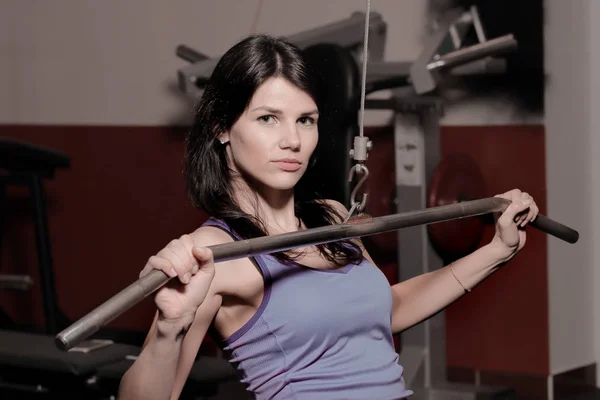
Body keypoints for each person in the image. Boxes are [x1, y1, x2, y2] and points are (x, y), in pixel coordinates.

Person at [117, 34, 539, 400]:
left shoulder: (331, 218)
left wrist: (497, 250)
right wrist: (170, 329)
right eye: (268, 119)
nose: (293, 140)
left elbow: (389, 310)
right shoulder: (212, 252)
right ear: (221, 127)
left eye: (306, 120)